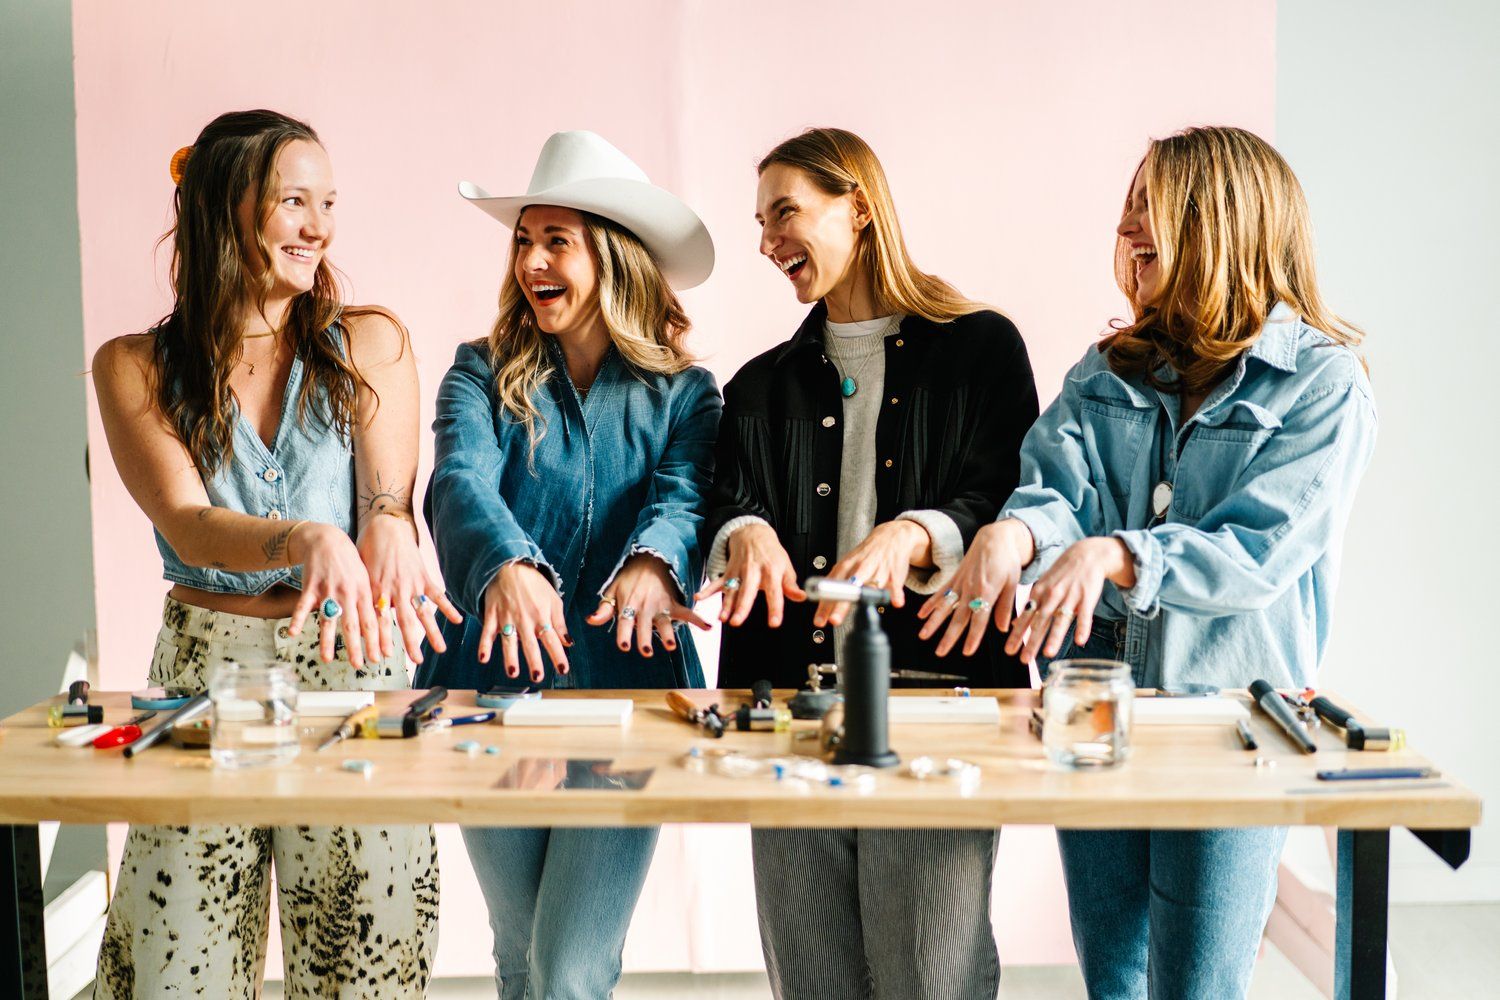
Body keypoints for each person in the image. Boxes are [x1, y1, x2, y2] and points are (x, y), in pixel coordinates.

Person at [924, 125, 1378, 999]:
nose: (1128, 230)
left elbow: (1259, 551)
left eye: (1151, 210)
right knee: (1114, 983)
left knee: (1196, 990)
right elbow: (1055, 492)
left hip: (1233, 732)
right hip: (1092, 718)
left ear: (1222, 222)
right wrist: (1014, 537)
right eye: (1127, 209)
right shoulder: (1104, 373)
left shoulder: (1323, 385)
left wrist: (1117, 554)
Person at [90, 109, 458, 997]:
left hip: (350, 667)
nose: (320, 226)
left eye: (327, 202)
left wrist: (388, 529)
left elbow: (384, 501)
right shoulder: (133, 365)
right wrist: (306, 536)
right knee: (177, 969)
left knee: (366, 964)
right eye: (294, 200)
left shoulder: (371, 342)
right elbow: (185, 518)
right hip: (202, 676)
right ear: (225, 209)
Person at [700, 127, 1037, 1000]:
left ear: (858, 204)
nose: (769, 241)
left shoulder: (982, 350)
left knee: (931, 977)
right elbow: (723, 499)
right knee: (812, 982)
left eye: (787, 213)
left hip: (940, 708)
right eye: (761, 222)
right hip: (788, 719)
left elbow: (1010, 494)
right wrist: (745, 532)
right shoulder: (757, 386)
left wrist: (917, 531)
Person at [417, 130, 721, 999]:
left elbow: (687, 500)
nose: (532, 261)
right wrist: (507, 564)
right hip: (485, 693)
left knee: (569, 967)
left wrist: (658, 566)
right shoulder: (477, 374)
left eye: (558, 241)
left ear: (615, 258)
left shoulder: (687, 394)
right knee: (519, 952)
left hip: (629, 698)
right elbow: (459, 482)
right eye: (524, 239)